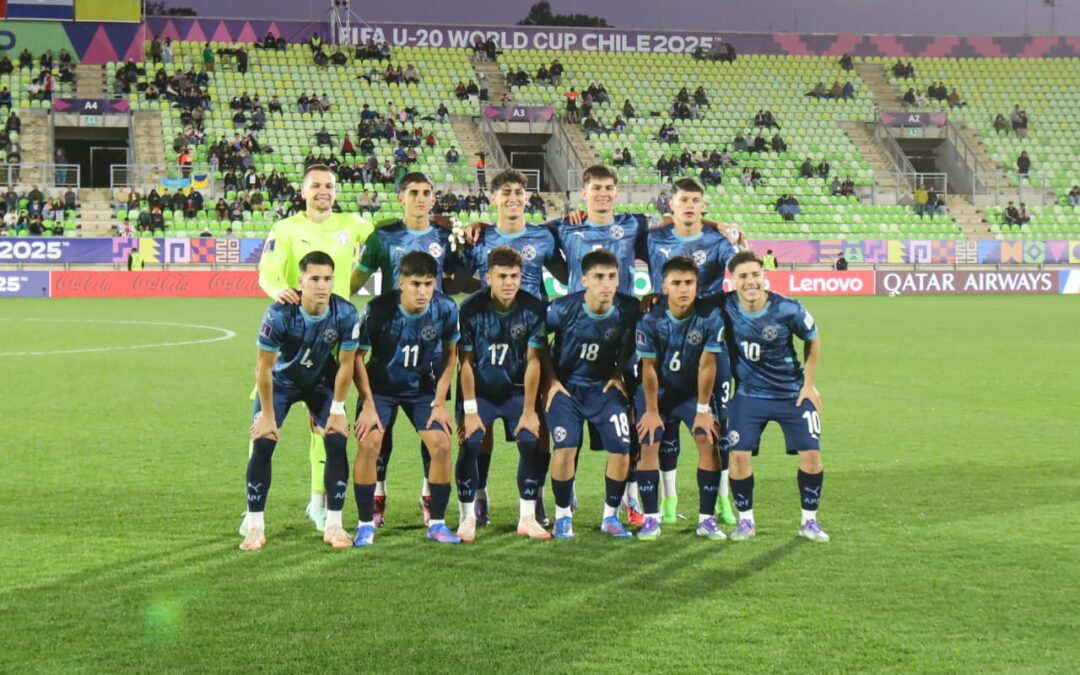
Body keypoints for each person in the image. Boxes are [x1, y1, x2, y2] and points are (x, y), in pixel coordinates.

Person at [242, 164, 374, 536]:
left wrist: (355, 281)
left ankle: (318, 503)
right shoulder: (286, 229)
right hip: (293, 335)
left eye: (329, 185)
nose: (323, 191)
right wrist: (278, 291)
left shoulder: (353, 224)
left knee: (327, 428)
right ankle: (252, 512)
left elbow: (385, 240)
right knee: (263, 424)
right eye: (315, 185)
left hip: (335, 336)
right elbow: (267, 272)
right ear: (303, 191)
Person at [350, 173, 468, 528]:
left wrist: (471, 233)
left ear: (433, 198)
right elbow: (355, 282)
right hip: (388, 343)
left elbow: (461, 277)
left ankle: (429, 496)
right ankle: (377, 495)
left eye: (426, 192)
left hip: (430, 343)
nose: (420, 198)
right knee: (378, 436)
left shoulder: (446, 237)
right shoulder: (383, 236)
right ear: (401, 198)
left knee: (433, 432)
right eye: (413, 192)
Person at [240, 251, 360, 551]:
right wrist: (267, 416)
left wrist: (337, 410)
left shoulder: (345, 313)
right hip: (281, 384)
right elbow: (263, 368)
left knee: (337, 439)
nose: (322, 285)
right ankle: (254, 526)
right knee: (263, 441)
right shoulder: (279, 314)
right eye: (314, 278)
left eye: (327, 279)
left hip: (321, 383)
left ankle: (334, 524)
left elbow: (346, 365)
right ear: (300, 281)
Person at [351, 251, 462, 546]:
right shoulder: (378, 310)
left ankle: (437, 523)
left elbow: (451, 356)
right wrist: (368, 404)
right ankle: (365, 524)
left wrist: (440, 402)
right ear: (401, 283)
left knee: (442, 444)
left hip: (421, 389)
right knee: (369, 443)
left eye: (428, 284)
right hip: (380, 389)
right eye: (415, 284)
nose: (422, 291)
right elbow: (357, 358)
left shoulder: (445, 308)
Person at [720, 250, 827, 542]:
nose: (750, 281)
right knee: (738, 456)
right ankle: (745, 521)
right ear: (733, 280)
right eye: (743, 276)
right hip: (749, 394)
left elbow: (813, 337)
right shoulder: (724, 306)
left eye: (756, 274)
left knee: (811, 454)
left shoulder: (787, 308)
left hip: (792, 394)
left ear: (764, 275)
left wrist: (809, 384)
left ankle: (809, 521)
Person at [456, 247, 550, 541]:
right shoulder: (470, 309)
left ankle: (527, 517)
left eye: (514, 276)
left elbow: (534, 362)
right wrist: (470, 411)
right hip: (479, 392)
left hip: (515, 392)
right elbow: (465, 363)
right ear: (488, 278)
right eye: (502, 277)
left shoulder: (533, 308)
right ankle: (468, 515)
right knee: (471, 442)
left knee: (530, 440)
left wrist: (530, 411)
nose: (509, 282)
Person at [544, 250, 640, 539]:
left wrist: (618, 372)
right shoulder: (562, 309)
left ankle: (610, 517)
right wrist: (551, 381)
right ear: (584, 280)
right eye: (598, 277)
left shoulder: (628, 309)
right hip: (567, 388)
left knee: (622, 448)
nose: (606, 283)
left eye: (611, 276)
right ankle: (563, 516)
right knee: (566, 447)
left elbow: (630, 343)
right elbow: (536, 341)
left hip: (603, 388)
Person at [634, 257, 729, 540]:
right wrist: (652, 412)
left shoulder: (710, 318)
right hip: (658, 393)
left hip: (692, 393)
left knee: (708, 440)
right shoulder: (650, 320)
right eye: (676, 283)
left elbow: (708, 366)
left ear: (697, 285)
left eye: (689, 283)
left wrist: (703, 409)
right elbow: (648, 369)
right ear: (664, 287)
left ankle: (706, 520)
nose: (683, 289)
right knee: (649, 442)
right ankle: (651, 519)